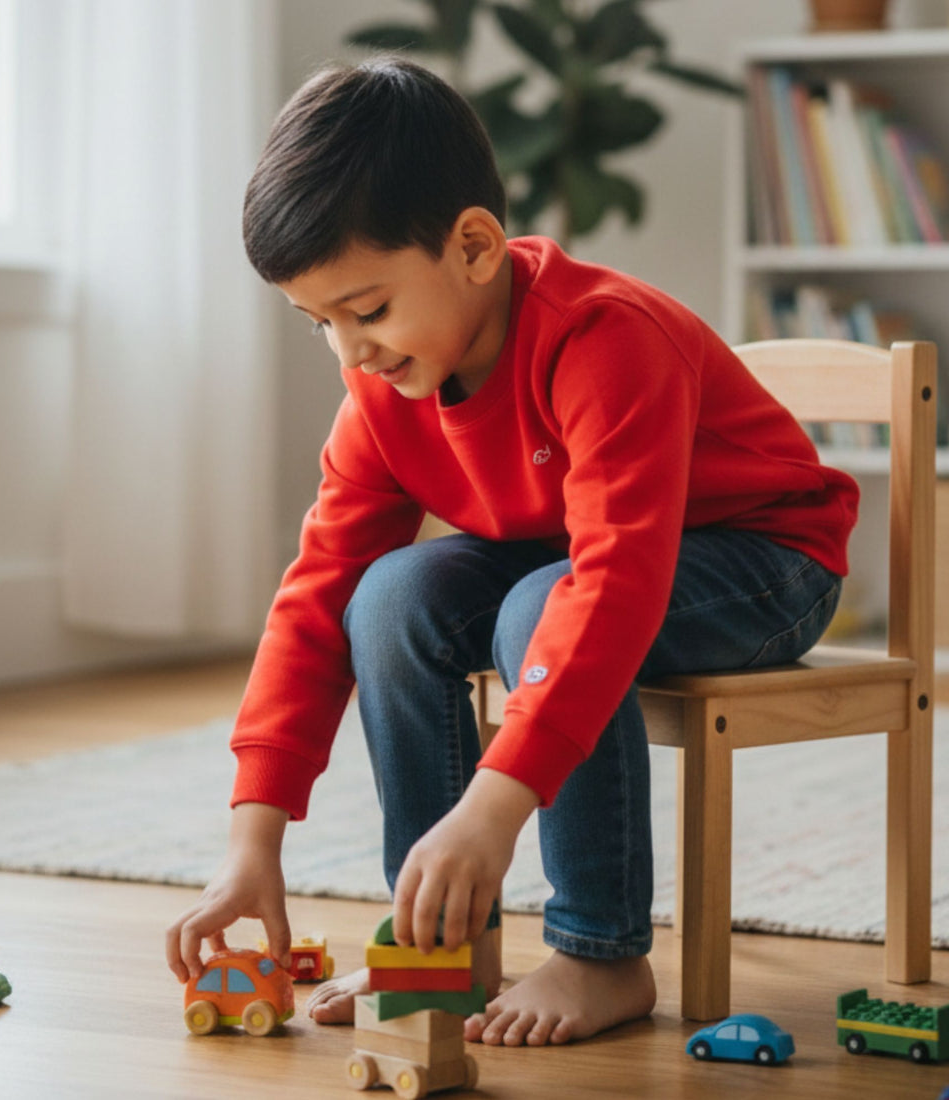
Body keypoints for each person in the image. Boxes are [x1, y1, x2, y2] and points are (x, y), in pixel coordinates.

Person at [164, 55, 858, 1047]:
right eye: (318, 322)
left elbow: (611, 582)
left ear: (477, 247)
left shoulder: (607, 338)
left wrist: (493, 808)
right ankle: (439, 943)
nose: (350, 353)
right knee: (388, 595)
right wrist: (251, 838)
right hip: (565, 555)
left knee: (547, 604)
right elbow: (315, 594)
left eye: (366, 310)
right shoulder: (381, 393)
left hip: (765, 560)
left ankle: (599, 950)